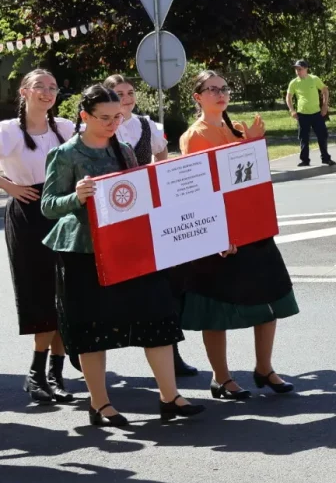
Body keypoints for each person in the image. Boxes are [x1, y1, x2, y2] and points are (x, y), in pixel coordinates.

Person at [40, 84, 204, 426]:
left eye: (118, 117)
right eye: (105, 118)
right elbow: (48, 206)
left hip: (129, 246)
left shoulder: (125, 149)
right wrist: (76, 196)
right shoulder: (66, 154)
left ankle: (170, 396)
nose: (114, 123)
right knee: (91, 327)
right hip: (83, 251)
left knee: (156, 316)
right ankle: (99, 404)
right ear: (84, 116)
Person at [179, 71, 298, 401]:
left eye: (224, 88)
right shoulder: (194, 136)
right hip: (221, 234)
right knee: (215, 308)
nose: (221, 93)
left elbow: (252, 181)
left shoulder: (237, 130)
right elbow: (200, 190)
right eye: (212, 89)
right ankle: (221, 378)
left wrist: (254, 144)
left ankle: (264, 368)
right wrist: (218, 233)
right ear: (198, 97)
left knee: (271, 296)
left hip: (252, 229)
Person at [102, 73, 199, 379]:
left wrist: (160, 180)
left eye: (130, 92)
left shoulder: (146, 126)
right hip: (112, 218)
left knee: (165, 286)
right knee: (111, 288)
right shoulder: (99, 129)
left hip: (148, 215)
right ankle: (89, 350)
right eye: (119, 93)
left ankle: (172, 353)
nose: (127, 98)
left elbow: (161, 157)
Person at [1, 69, 75, 404]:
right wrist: (9, 186)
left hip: (63, 211)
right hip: (29, 214)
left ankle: (56, 374)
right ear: (24, 92)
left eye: (53, 87)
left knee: (66, 293)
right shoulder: (8, 131)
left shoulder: (65, 128)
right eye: (40, 87)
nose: (47, 92)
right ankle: (36, 374)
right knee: (40, 292)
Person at [286, 59, 334, 168]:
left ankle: (326, 158)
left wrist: (325, 106)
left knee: (322, 135)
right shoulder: (294, 83)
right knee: (303, 138)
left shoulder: (314, 79)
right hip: (302, 114)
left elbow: (325, 90)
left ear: (306, 69)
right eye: (296, 69)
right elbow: (288, 97)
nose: (298, 71)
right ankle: (305, 160)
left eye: (300, 69)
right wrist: (292, 110)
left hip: (316, 113)